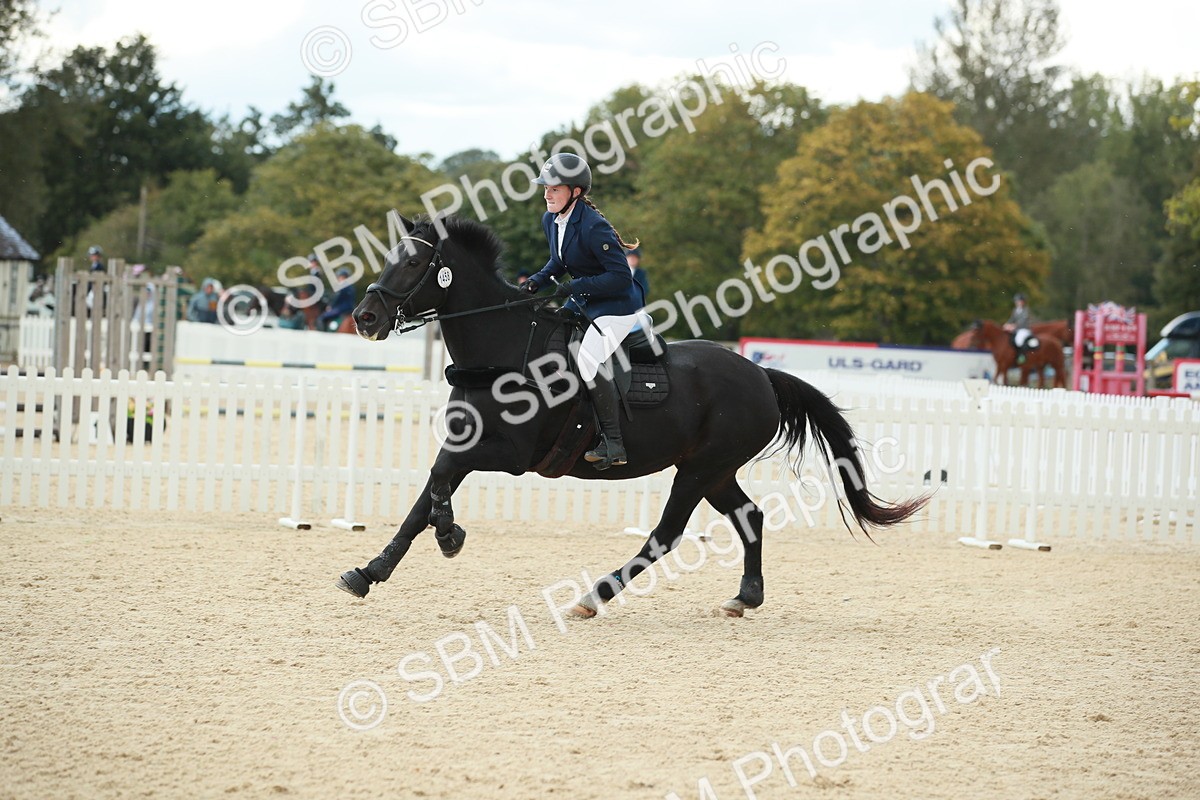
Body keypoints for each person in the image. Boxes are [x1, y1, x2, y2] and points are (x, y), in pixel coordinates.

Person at [523, 153, 646, 470]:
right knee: (552, 333)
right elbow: (559, 262)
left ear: (575, 192)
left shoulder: (595, 227)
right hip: (588, 299)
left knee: (589, 360)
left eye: (555, 189)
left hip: (618, 306)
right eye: (546, 188)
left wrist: (574, 288)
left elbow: (620, 278)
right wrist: (535, 282)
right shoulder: (551, 219)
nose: (547, 194)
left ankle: (614, 443)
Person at [317, 266, 357, 331]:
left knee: (322, 318)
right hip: (350, 308)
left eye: (339, 277)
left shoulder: (342, 286)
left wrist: (331, 306)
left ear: (342, 277)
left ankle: (323, 335)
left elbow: (337, 299)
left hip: (341, 309)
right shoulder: (351, 287)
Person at [1003, 293, 1039, 363]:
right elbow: (1011, 319)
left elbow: (1023, 320)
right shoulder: (1015, 310)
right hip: (1016, 330)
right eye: (1016, 301)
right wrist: (1006, 324)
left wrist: (1014, 326)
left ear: (1023, 302)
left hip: (1024, 329)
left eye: (1019, 301)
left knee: (1019, 340)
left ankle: (1022, 356)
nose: (1017, 302)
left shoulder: (1026, 310)